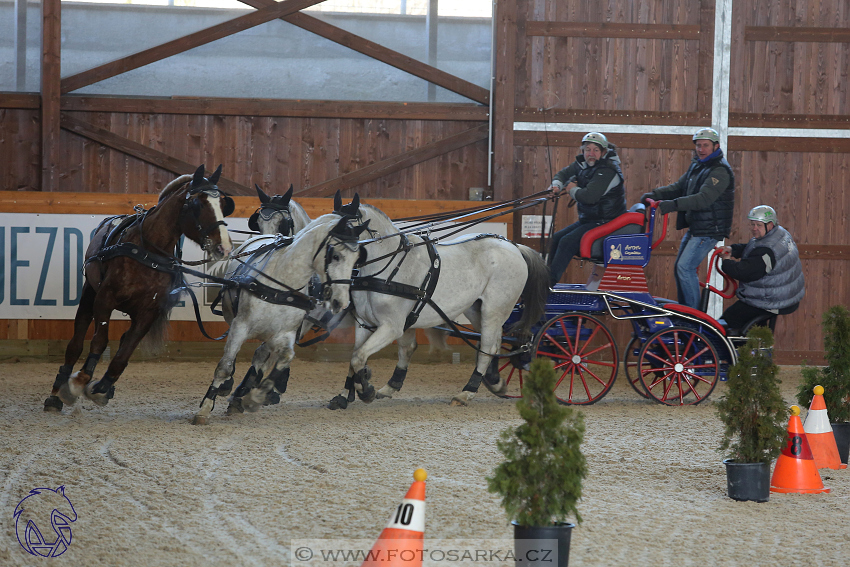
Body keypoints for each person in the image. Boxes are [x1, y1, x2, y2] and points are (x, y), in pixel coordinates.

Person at [641, 128, 735, 309]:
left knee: (685, 268)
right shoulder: (698, 166)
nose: (701, 149)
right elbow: (679, 187)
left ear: (716, 146)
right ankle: (686, 311)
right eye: (698, 145)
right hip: (697, 227)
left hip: (709, 229)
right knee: (680, 269)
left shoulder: (719, 171)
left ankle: (693, 317)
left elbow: (703, 199)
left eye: (705, 145)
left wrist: (672, 205)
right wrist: (655, 194)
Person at [547, 132, 626, 287]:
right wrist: (556, 185)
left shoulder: (608, 170)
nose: (591, 153)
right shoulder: (583, 163)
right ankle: (544, 278)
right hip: (590, 219)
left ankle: (547, 285)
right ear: (582, 151)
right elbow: (563, 174)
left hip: (606, 221)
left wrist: (571, 189)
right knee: (556, 238)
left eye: (596, 150)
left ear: (603, 152)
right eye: (587, 149)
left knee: (566, 242)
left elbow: (589, 197)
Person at [718, 205, 805, 333]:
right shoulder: (779, 233)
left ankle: (736, 349)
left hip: (771, 299)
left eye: (758, 225)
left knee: (729, 319)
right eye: (752, 224)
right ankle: (756, 344)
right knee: (747, 319)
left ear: (769, 225)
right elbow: (753, 249)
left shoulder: (767, 250)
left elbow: (744, 272)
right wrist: (733, 250)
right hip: (782, 294)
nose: (754, 229)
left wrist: (726, 262)